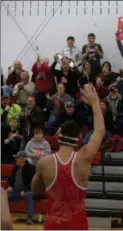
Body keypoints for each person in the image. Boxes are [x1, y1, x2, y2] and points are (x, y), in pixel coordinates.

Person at [31, 84, 105, 230]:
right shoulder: (82, 158)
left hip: (53, 223)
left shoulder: (44, 163)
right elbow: (99, 132)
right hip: (77, 224)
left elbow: (35, 191)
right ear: (78, 139)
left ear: (58, 138)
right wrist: (95, 104)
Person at [6, 151, 35, 225]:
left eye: (17, 158)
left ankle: (29, 218)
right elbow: (10, 180)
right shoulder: (15, 168)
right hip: (16, 191)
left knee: (29, 194)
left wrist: (24, 190)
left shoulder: (31, 168)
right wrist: (9, 186)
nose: (16, 160)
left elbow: (32, 183)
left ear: (23, 160)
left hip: (27, 191)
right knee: (3, 196)